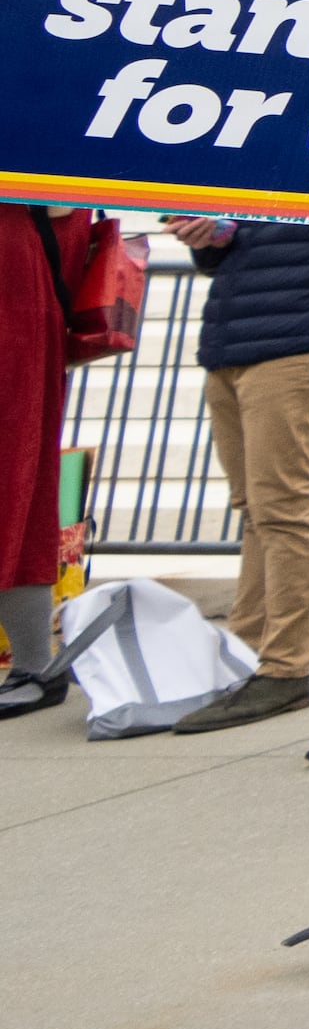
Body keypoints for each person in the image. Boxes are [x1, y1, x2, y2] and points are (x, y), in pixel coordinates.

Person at [159, 208, 309, 731]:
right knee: (255, 508)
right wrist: (210, 234)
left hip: (304, 339)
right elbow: (231, 248)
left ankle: (286, 668)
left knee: (281, 505)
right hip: (235, 339)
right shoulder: (264, 153)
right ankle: (246, 649)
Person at [0, 204, 84, 720]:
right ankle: (34, 663)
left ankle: (34, 663)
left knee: (15, 494)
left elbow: (64, 208)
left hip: (16, 321)